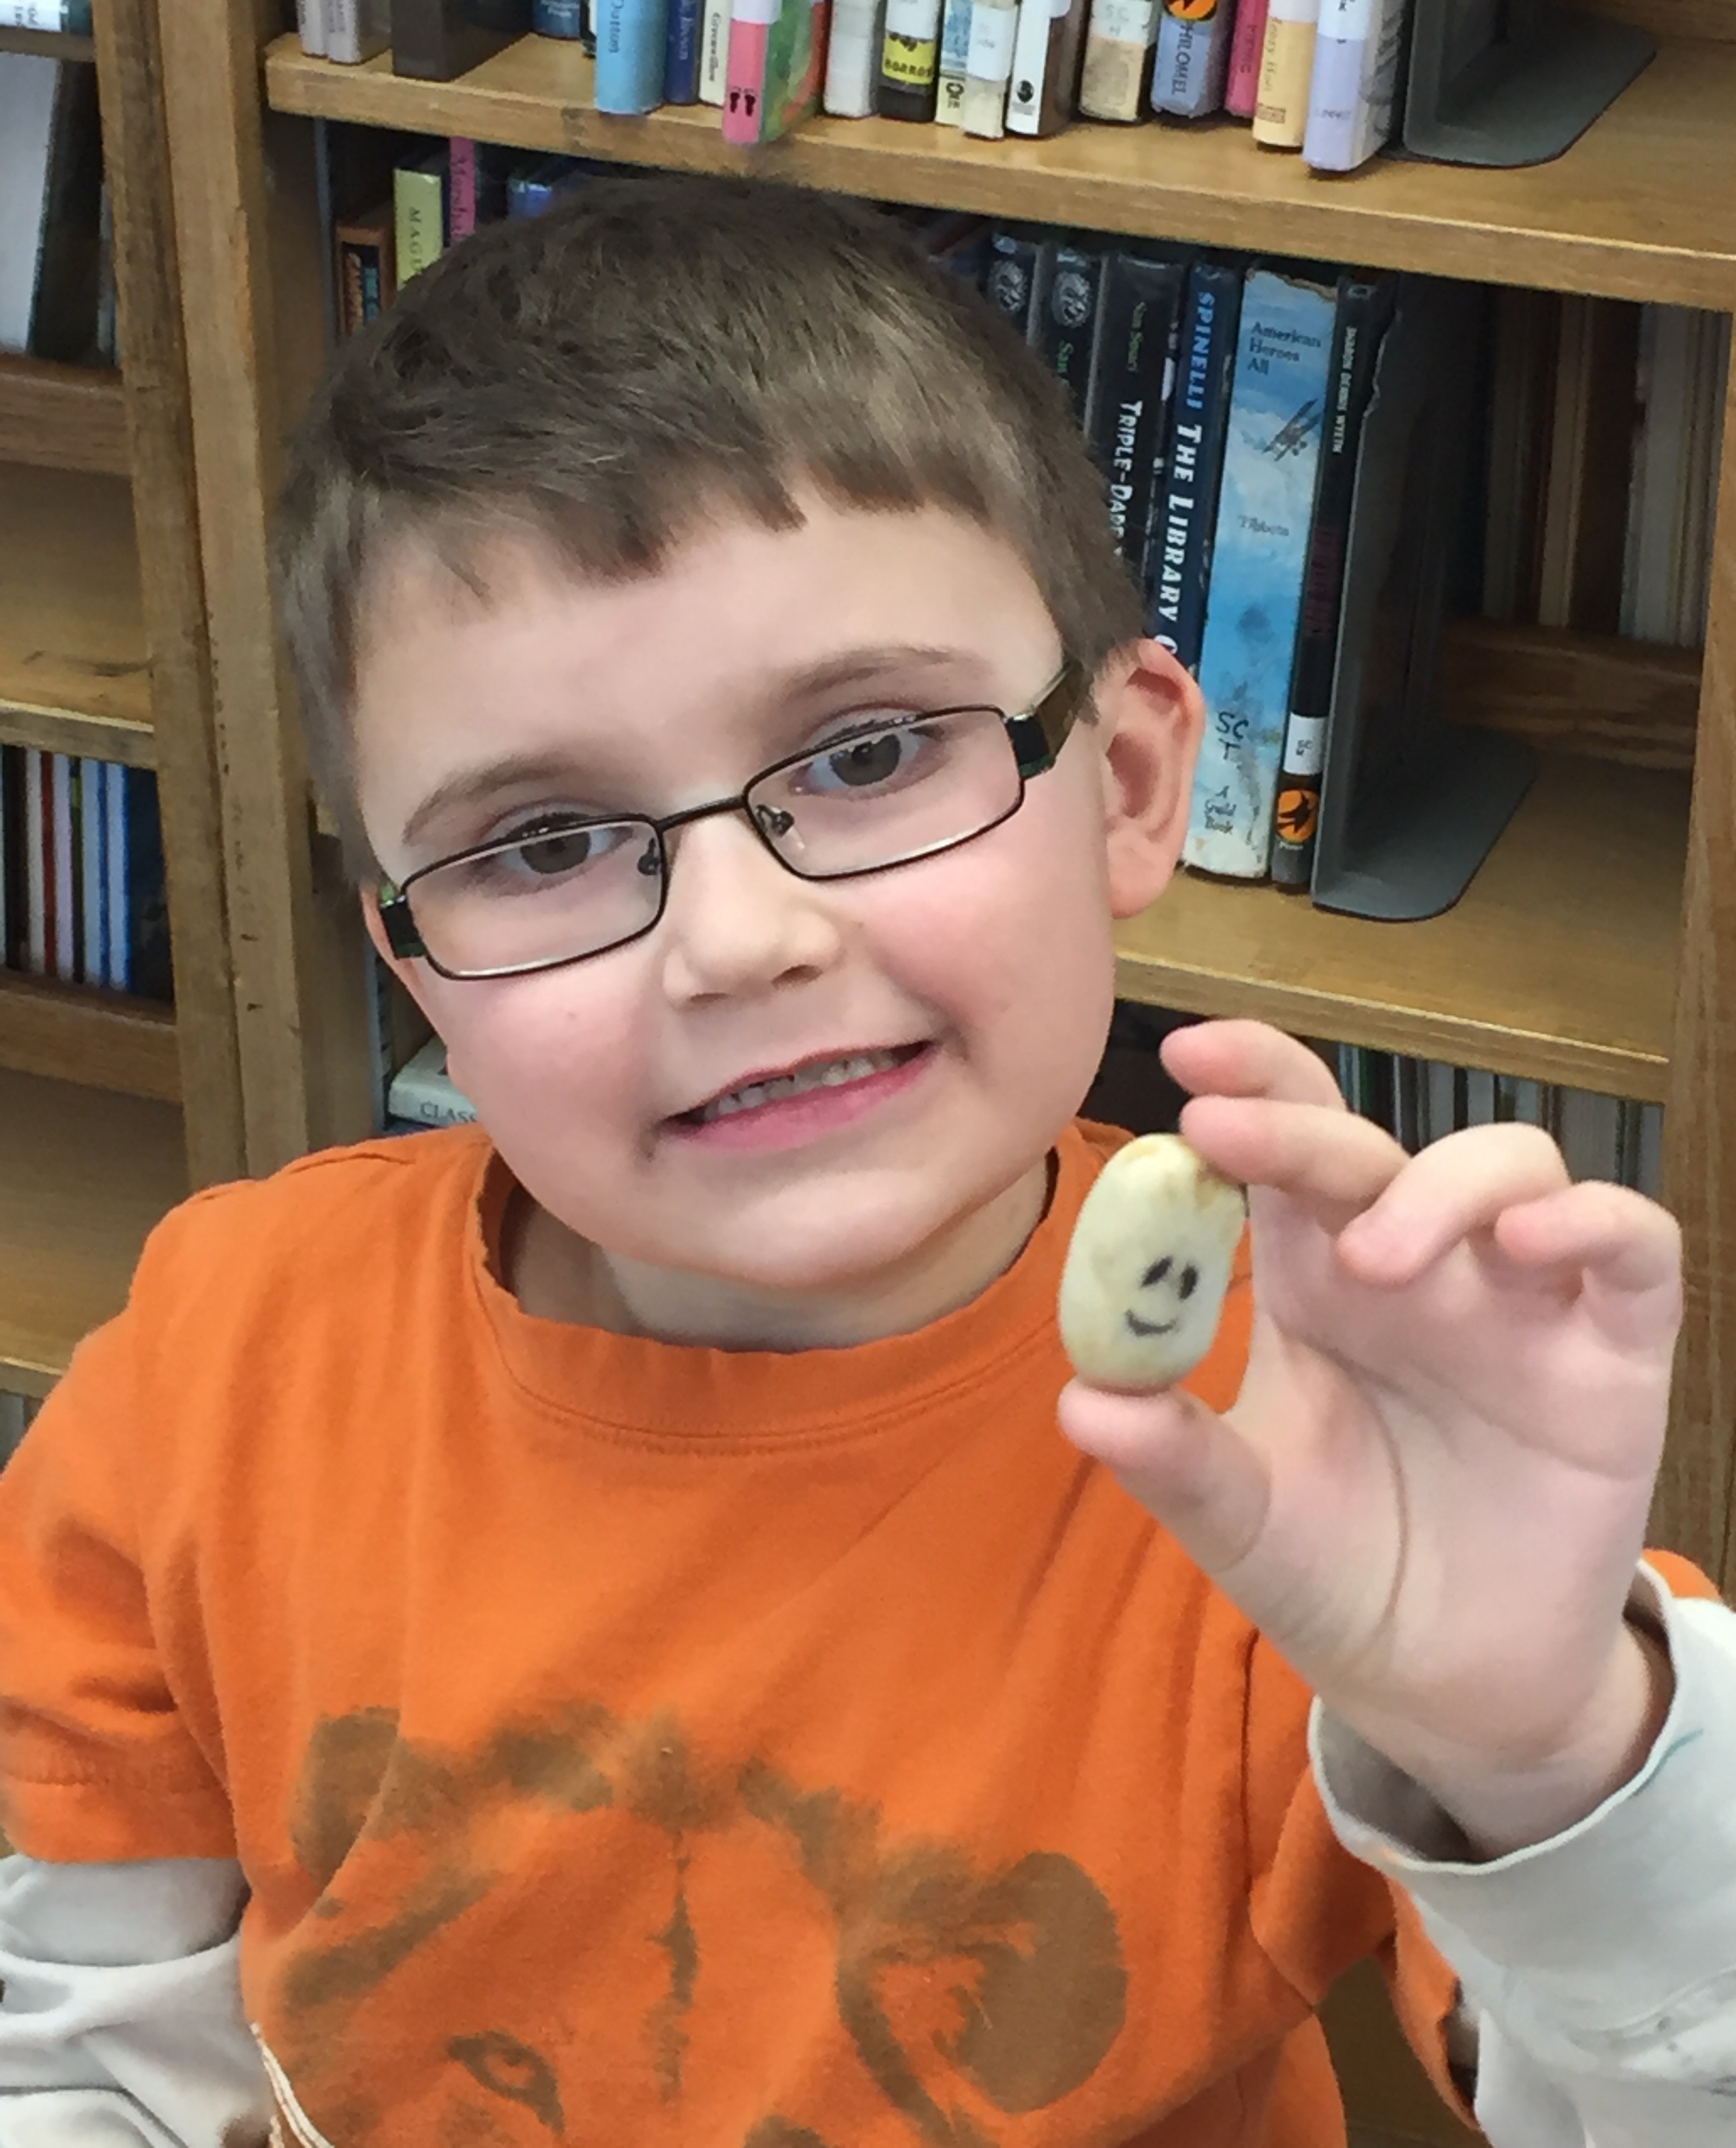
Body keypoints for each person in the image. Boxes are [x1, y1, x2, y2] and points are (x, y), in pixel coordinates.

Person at [0, 175, 1732, 2148]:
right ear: (416, 964)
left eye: (867, 752)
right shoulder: (222, 1354)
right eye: (543, 845)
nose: (737, 942)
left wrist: (1547, 1754)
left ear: (1132, 785)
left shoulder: (1324, 1454)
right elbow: (81, 2054)